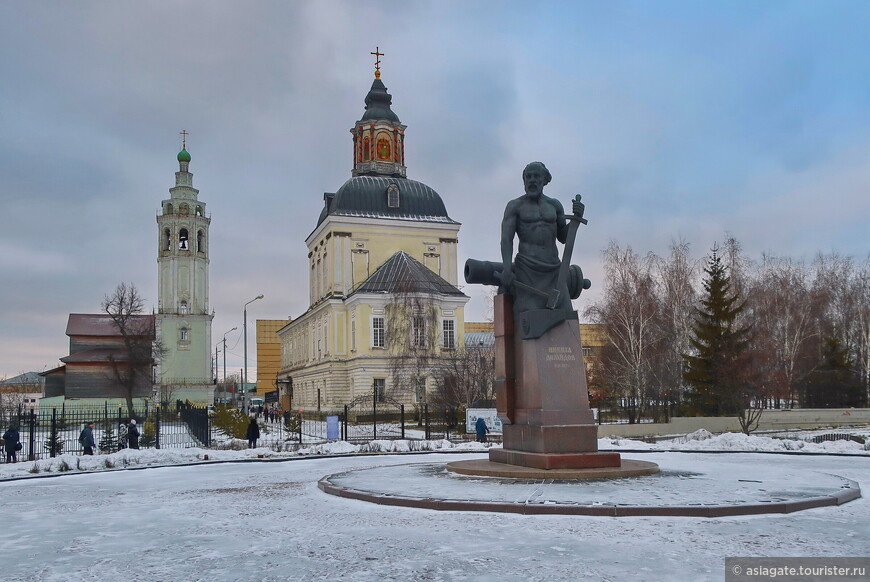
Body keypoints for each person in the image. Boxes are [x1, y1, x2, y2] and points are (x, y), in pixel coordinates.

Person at [500, 161, 585, 318]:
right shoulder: (515, 206)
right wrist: (506, 268)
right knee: (529, 316)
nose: (532, 180)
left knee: (566, 315)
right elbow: (506, 239)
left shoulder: (554, 205)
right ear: (524, 181)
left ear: (544, 180)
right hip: (527, 270)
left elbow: (564, 237)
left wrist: (576, 219)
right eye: (528, 176)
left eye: (536, 176)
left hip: (554, 271)